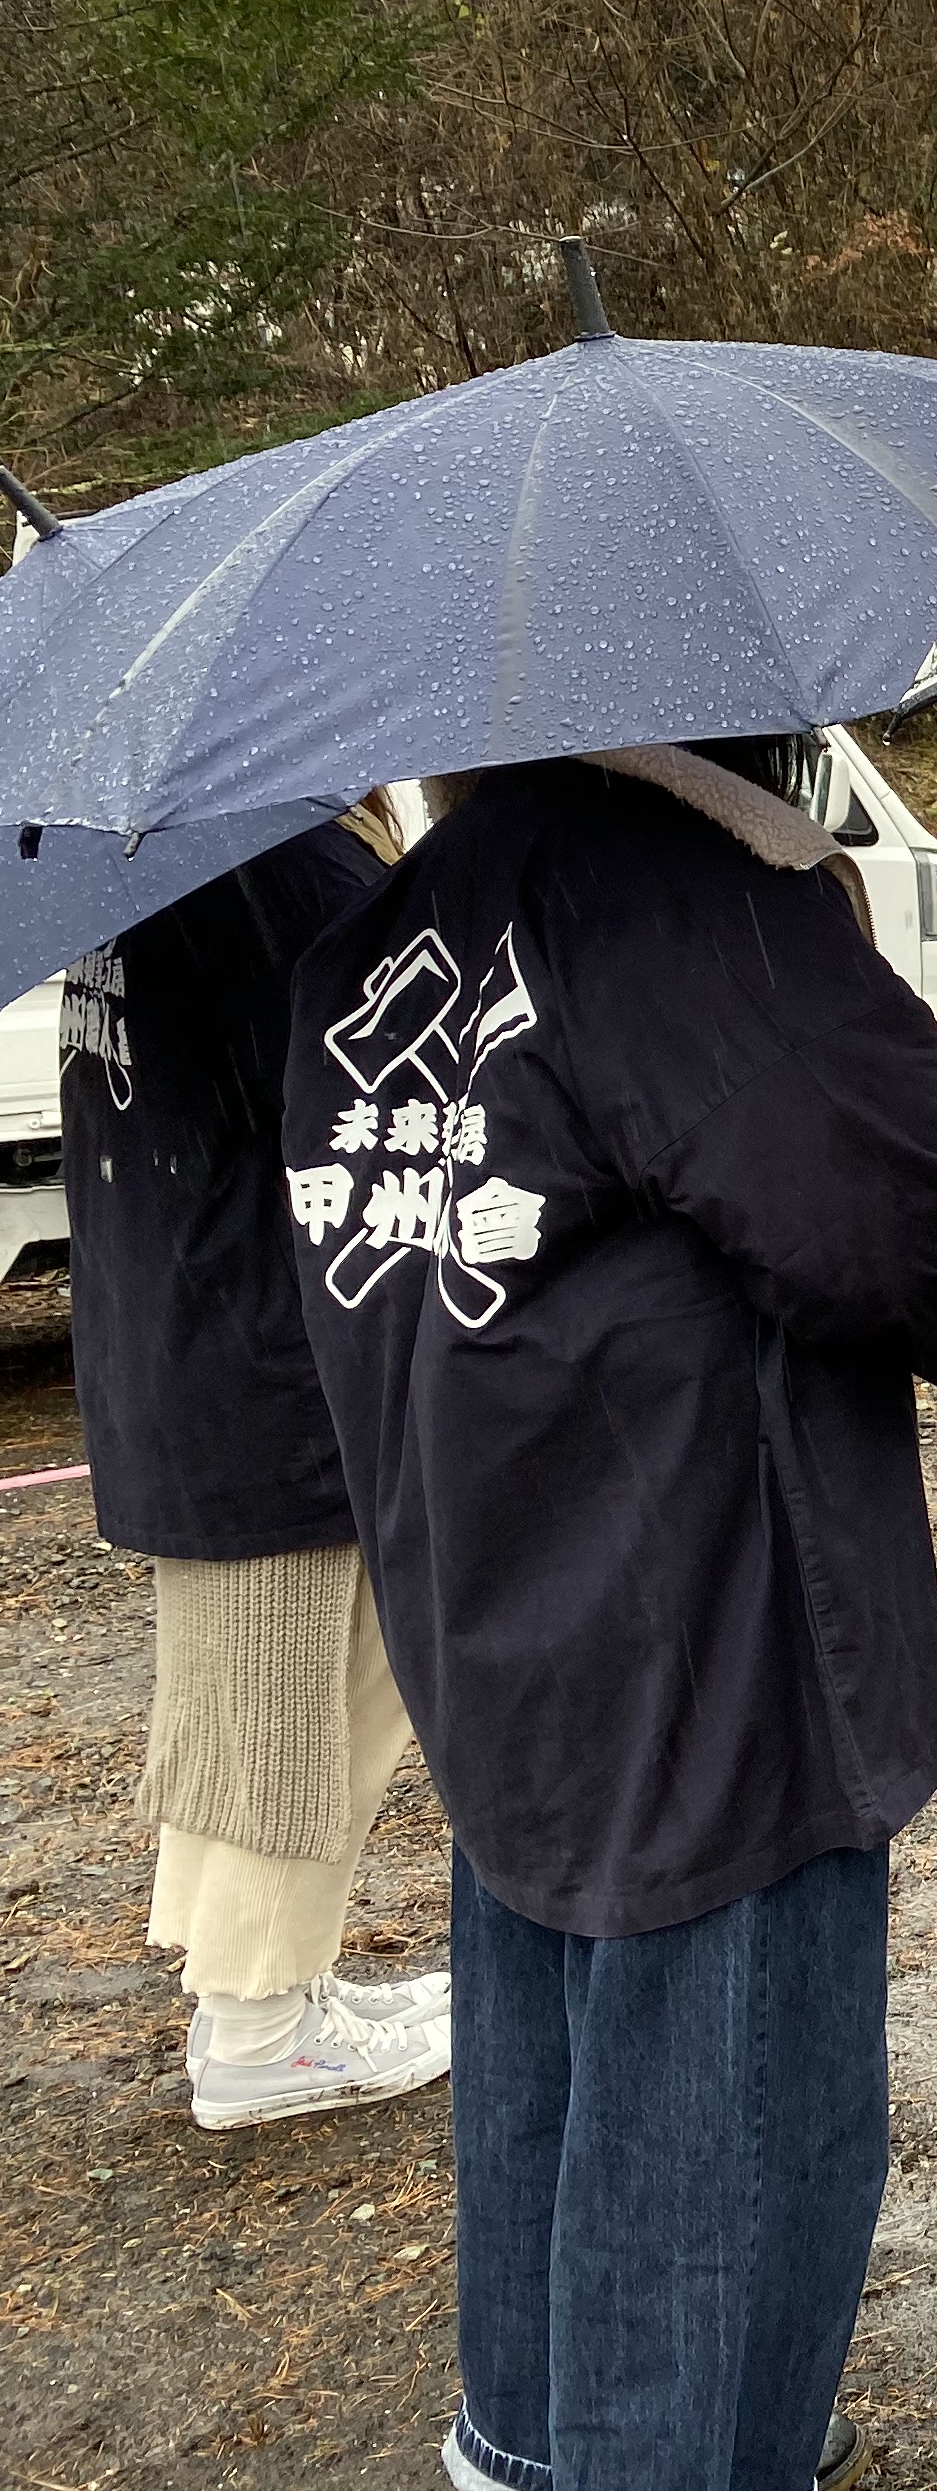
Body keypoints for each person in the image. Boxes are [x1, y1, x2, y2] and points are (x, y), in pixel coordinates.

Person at [285, 739, 937, 2491]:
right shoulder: (680, 905)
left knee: (548, 2057)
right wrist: (811, 928)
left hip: (491, 1577)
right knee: (730, 2135)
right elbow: (905, 1210)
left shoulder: (370, 939)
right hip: (706, 1612)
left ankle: (532, 2433)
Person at [64, 818, 453, 2130]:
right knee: (291, 1709)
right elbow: (388, 1090)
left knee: (258, 1698)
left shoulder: (149, 855)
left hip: (180, 1322)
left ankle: (275, 1987)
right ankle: (260, 2023)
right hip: (270, 1354)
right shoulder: (286, 865)